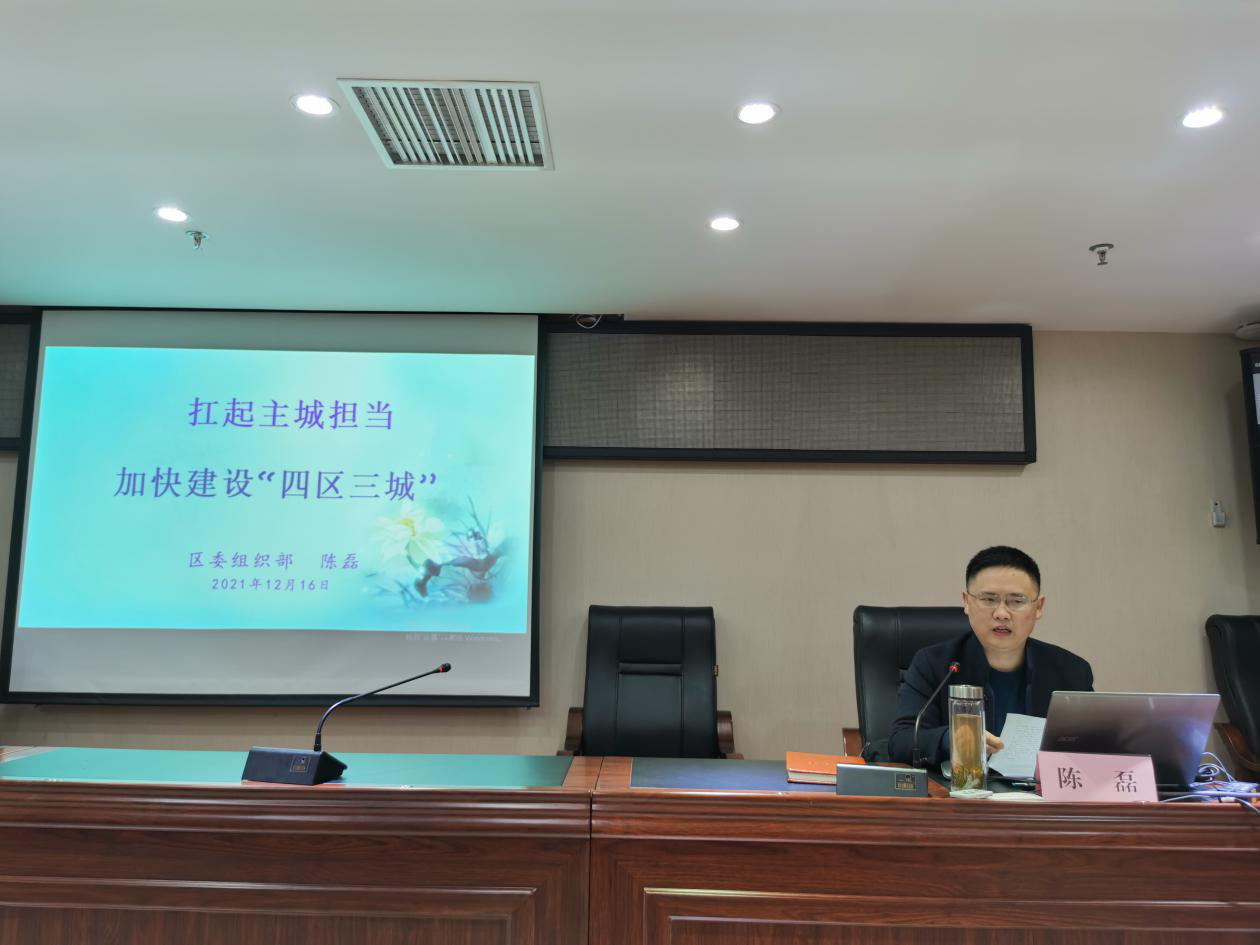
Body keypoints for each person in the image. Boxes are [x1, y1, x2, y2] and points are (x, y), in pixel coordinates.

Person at [887, 545, 1093, 767]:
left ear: (1038, 607)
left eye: (1016, 601)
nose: (1001, 614)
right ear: (966, 602)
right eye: (988, 599)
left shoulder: (1072, 671)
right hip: (963, 787)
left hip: (1040, 789)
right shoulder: (935, 664)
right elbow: (901, 742)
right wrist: (953, 739)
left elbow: (1095, 747)